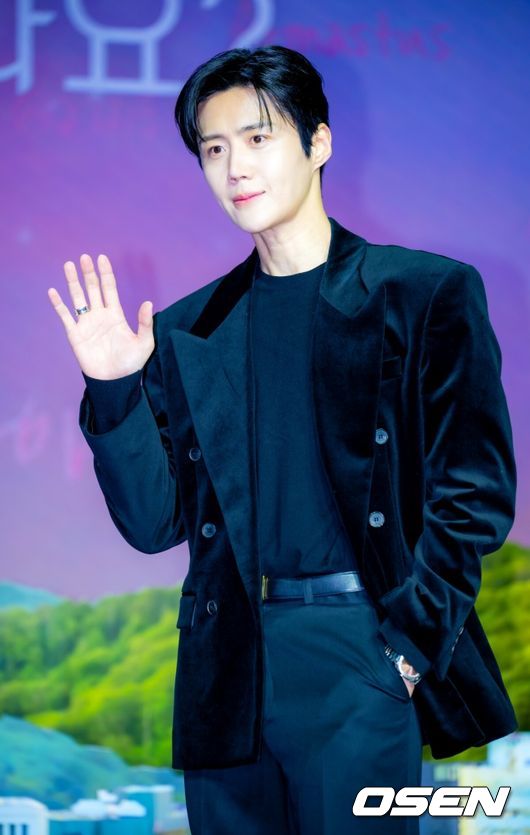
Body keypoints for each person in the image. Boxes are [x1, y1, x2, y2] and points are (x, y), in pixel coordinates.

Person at [48, 45, 517, 834]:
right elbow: (154, 522)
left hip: (361, 653)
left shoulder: (424, 294)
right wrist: (115, 386)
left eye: (258, 138)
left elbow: (474, 493)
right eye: (213, 149)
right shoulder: (190, 329)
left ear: (318, 142)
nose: (235, 167)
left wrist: (406, 649)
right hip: (227, 666)